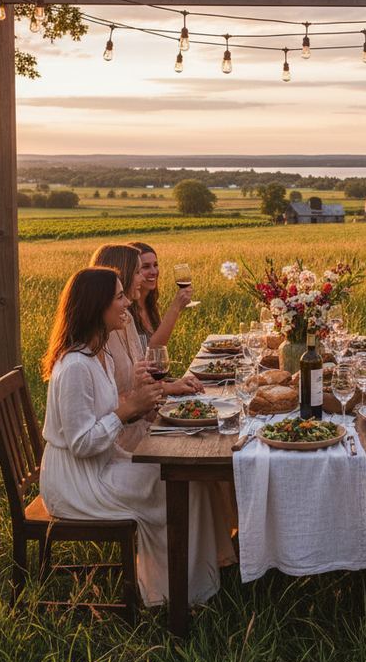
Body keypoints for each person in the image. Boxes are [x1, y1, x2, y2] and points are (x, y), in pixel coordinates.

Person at [39, 266, 229, 606]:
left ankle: (199, 579)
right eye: (119, 297)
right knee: (179, 485)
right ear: (96, 306)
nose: (127, 303)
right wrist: (128, 410)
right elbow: (82, 443)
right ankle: (176, 595)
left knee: (191, 480)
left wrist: (142, 406)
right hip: (76, 482)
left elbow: (109, 414)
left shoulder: (101, 357)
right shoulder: (74, 368)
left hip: (103, 464)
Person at [90, 244, 203, 414]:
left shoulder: (126, 319)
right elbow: (116, 401)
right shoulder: (103, 335)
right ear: (121, 275)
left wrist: (170, 387)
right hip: (127, 432)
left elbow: (141, 382)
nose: (144, 277)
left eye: (155, 265)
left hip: (139, 420)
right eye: (139, 271)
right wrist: (169, 388)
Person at [128, 241, 194, 348]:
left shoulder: (151, 306)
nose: (154, 271)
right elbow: (152, 350)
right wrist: (175, 307)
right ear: (130, 272)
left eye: (155, 265)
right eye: (146, 267)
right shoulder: (125, 311)